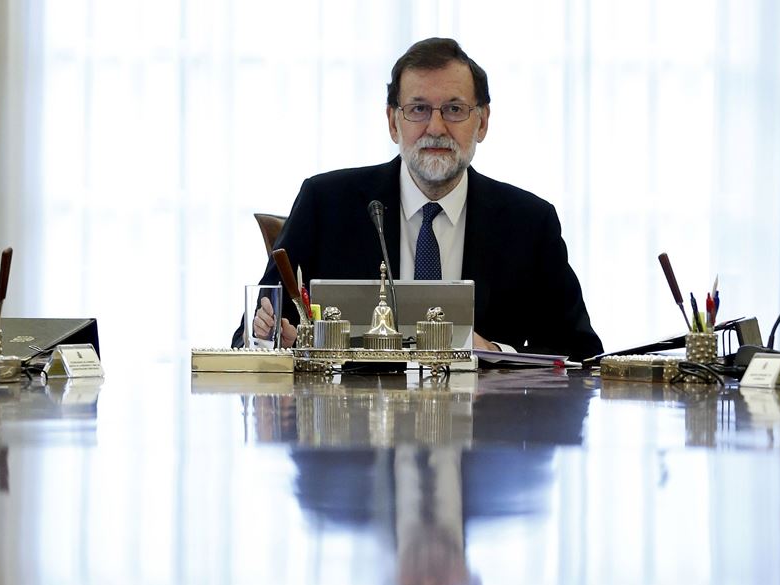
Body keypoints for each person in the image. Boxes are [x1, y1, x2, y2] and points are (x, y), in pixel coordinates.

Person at [232, 37, 603, 361]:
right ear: (394, 122)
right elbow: (250, 336)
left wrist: (495, 354)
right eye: (418, 109)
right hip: (350, 430)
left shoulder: (530, 223)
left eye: (455, 110)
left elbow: (580, 354)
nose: (436, 127)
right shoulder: (326, 204)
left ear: (483, 122)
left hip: (483, 430)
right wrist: (273, 339)